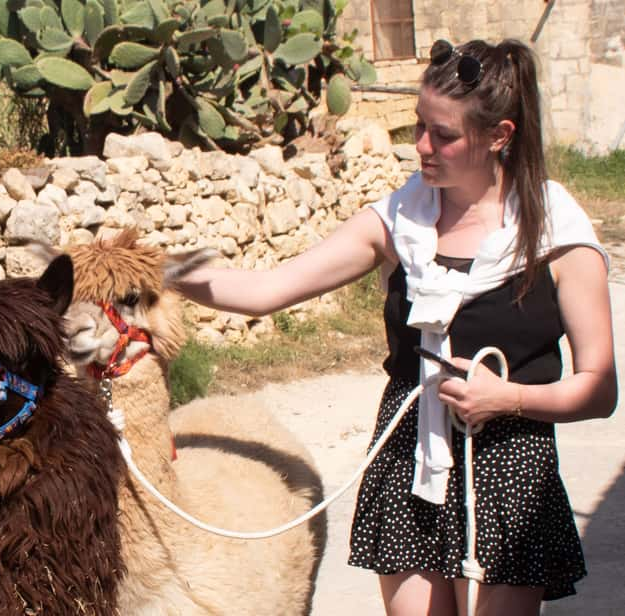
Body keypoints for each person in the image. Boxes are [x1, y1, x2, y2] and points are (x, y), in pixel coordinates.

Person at [175, 38, 616, 615]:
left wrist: (507, 398)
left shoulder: (555, 234)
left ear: (500, 136)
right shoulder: (398, 220)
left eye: (444, 135)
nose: (422, 148)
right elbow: (265, 290)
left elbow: (599, 388)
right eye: (418, 127)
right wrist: (158, 272)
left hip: (509, 466)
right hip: (410, 457)